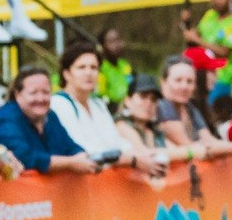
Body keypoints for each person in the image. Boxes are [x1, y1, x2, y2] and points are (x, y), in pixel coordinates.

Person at [53, 44, 168, 172]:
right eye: (81, 67)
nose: (88, 73)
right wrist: (131, 160)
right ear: (67, 74)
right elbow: (85, 151)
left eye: (94, 68)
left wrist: (136, 155)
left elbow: (115, 142)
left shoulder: (98, 104)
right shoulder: (58, 104)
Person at [0, 66, 100, 174]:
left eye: (46, 92)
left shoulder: (50, 116)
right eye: (33, 93)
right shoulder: (3, 119)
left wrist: (83, 157)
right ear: (17, 94)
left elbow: (70, 146)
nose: (40, 98)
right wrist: (72, 163)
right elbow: (26, 157)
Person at [155, 55, 232, 161]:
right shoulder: (162, 106)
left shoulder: (189, 107)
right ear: (163, 82)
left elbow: (209, 140)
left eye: (189, 81)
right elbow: (190, 147)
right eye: (178, 80)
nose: (184, 86)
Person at [182, 0, 232, 99]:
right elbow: (193, 39)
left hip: (221, 79)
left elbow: (224, 52)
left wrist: (197, 40)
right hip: (201, 75)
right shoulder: (210, 15)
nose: (216, 0)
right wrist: (186, 23)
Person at [96, 27, 133, 106]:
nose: (117, 45)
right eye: (112, 42)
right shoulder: (100, 69)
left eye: (119, 40)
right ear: (102, 47)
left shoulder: (125, 65)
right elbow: (100, 97)